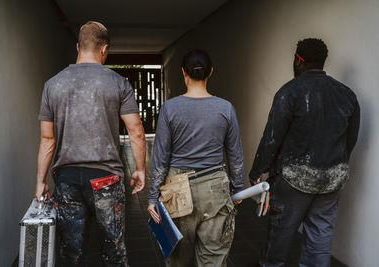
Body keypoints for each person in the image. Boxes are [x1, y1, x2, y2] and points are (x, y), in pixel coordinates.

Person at [35, 21, 146, 266]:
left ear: (78, 46)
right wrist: (139, 169)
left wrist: (41, 181)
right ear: (104, 49)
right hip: (105, 178)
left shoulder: (52, 85)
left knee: (73, 254)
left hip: (67, 179)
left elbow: (47, 139)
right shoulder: (118, 82)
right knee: (114, 252)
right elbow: (136, 131)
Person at [249, 38, 360, 267]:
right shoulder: (347, 95)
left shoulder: (289, 92)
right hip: (331, 180)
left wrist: (257, 171)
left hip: (293, 180)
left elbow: (272, 138)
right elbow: (351, 140)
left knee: (279, 238)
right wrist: (335, 166)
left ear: (298, 60)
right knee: (320, 239)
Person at [147, 49, 245, 267]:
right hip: (215, 190)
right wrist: (237, 187)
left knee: (179, 258)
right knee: (213, 258)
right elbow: (235, 153)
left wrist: (153, 197)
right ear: (211, 72)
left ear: (183, 73)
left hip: (177, 190)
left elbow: (160, 158)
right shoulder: (225, 108)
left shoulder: (170, 109)